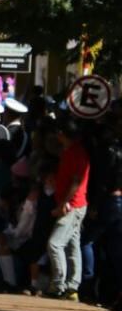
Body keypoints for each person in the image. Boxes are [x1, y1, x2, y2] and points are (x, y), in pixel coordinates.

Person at [46, 117, 90, 300]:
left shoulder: (77, 153)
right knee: (72, 246)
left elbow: (76, 182)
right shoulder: (69, 151)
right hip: (74, 203)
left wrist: (64, 202)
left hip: (73, 204)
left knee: (54, 244)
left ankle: (59, 284)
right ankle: (72, 286)